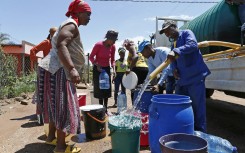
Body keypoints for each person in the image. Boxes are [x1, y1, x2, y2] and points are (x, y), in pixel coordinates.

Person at [38, 0, 91, 152]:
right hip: (59, 69)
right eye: (88, 14)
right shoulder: (71, 25)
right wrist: (72, 68)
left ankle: (51, 138)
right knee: (64, 106)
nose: (89, 18)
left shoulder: (69, 24)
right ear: (79, 13)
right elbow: (62, 44)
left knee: (54, 104)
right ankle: (61, 147)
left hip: (51, 68)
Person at [160, 20, 211, 132]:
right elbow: (172, 59)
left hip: (195, 78)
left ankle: (200, 135)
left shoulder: (187, 33)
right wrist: (174, 69)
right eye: (165, 32)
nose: (166, 34)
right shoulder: (173, 43)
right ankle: (184, 131)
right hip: (182, 80)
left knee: (198, 109)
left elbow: (193, 45)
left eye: (167, 30)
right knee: (180, 106)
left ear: (174, 27)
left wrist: (177, 50)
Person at [30, 27, 57, 125]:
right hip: (45, 69)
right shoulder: (46, 42)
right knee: (42, 92)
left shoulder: (57, 43)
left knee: (53, 92)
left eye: (56, 33)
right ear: (50, 34)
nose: (55, 35)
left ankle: (51, 113)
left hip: (54, 70)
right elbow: (33, 50)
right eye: (53, 33)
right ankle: (41, 113)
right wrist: (36, 62)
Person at [89, 30, 118, 114]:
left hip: (106, 69)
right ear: (109, 38)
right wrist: (96, 64)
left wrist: (114, 69)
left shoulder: (113, 47)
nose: (114, 42)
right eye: (114, 40)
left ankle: (105, 109)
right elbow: (91, 57)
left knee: (107, 89)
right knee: (99, 89)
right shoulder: (98, 45)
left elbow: (112, 60)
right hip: (98, 69)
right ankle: (101, 108)